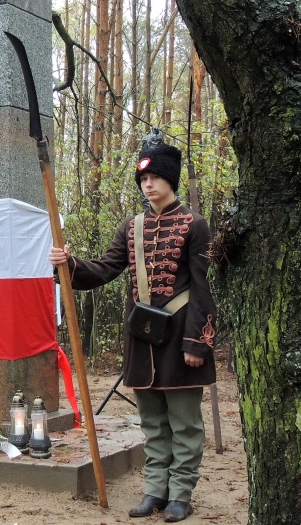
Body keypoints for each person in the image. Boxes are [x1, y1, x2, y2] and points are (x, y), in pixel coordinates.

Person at [49, 142, 216, 523]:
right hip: (142, 340)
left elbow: (203, 290)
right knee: (153, 423)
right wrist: (69, 264)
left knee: (185, 424)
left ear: (169, 179)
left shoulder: (195, 224)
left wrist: (196, 344)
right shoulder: (131, 226)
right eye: (143, 178)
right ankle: (155, 491)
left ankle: (181, 494)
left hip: (180, 340)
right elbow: (105, 269)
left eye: (154, 176)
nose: (148, 184)